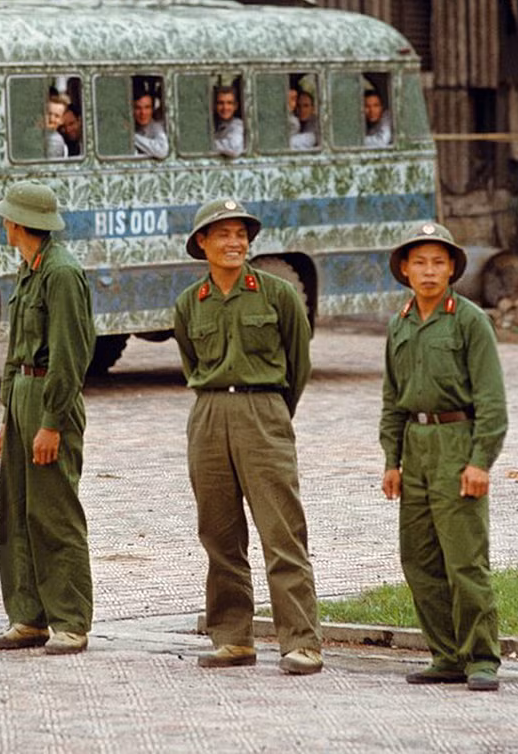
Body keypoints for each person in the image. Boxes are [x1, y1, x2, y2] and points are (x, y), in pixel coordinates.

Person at [174, 198, 323, 676]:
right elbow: (191, 364)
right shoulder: (188, 303)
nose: (235, 243)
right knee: (218, 534)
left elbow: (298, 363)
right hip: (209, 413)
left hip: (264, 412)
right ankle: (232, 638)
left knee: (282, 531)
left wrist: (272, 412)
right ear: (202, 243)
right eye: (223, 234)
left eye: (241, 234)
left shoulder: (278, 295)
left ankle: (301, 641)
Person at [378, 221, 508, 691]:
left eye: (438, 261)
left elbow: (492, 402)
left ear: (452, 267)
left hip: (458, 444)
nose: (429, 271)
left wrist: (480, 462)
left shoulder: (470, 320)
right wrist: (392, 461)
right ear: (405, 270)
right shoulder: (400, 324)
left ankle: (480, 657)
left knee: (464, 559)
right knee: (419, 558)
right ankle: (446, 654)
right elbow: (394, 399)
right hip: (416, 447)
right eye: (420, 262)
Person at [0, 182, 95, 656]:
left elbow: (71, 355)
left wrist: (51, 421)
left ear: (19, 223)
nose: (4, 224)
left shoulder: (62, 273)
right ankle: (28, 616)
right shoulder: (30, 270)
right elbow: (15, 352)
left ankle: (70, 619)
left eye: (7, 217)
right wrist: (9, 417)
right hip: (24, 398)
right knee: (16, 512)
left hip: (52, 396)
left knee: (54, 512)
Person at [132, 86, 169, 159]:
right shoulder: (133, 126)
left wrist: (131, 137)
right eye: (138, 108)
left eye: (147, 107)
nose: (143, 112)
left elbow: (162, 150)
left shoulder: (155, 127)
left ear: (152, 109)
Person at [211, 85, 244, 158]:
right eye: (221, 103)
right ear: (215, 106)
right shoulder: (216, 125)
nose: (225, 107)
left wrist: (206, 144)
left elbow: (233, 148)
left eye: (229, 103)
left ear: (235, 106)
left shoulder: (237, 126)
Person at [289, 84, 320, 151]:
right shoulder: (294, 121)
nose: (302, 110)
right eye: (298, 106)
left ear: (313, 108)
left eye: (306, 106)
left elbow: (309, 139)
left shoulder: (316, 125)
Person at [45, 93, 69, 159]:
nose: (51, 119)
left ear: (62, 120)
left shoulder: (56, 140)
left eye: (57, 116)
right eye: (49, 114)